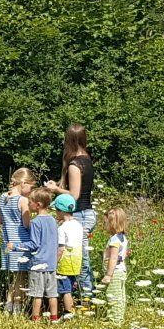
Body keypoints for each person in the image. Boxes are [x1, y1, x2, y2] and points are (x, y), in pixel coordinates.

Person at [58, 125, 97, 301]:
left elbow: (74, 195)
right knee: (80, 258)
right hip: (87, 212)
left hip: (80, 214)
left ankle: (87, 298)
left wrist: (55, 190)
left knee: (80, 259)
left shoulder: (75, 165)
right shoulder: (86, 159)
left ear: (69, 140)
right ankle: (82, 294)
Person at [0, 168, 34, 315]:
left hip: (7, 242)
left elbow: (0, 220)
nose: (31, 191)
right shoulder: (23, 200)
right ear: (23, 182)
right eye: (31, 187)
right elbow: (26, 224)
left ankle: (8, 306)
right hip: (20, 243)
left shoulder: (3, 197)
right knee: (21, 277)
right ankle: (17, 308)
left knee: (13, 277)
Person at [25, 187, 61, 322]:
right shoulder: (53, 220)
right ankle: (54, 318)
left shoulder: (35, 222)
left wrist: (16, 246)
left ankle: (35, 318)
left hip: (38, 264)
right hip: (51, 264)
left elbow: (34, 244)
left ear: (38, 204)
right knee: (52, 293)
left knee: (37, 294)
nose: (28, 204)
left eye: (30, 202)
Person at [101, 206, 131, 327]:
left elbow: (113, 258)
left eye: (106, 222)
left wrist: (109, 275)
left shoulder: (114, 240)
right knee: (120, 296)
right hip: (121, 271)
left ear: (112, 224)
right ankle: (117, 318)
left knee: (113, 297)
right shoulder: (122, 237)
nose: (105, 225)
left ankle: (114, 322)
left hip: (115, 273)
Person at [54, 192, 83, 319]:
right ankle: (71, 310)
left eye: (56, 210)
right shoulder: (78, 224)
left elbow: (61, 249)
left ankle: (68, 313)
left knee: (65, 290)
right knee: (71, 286)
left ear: (61, 211)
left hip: (65, 261)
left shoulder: (62, 228)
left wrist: (54, 262)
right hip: (76, 260)